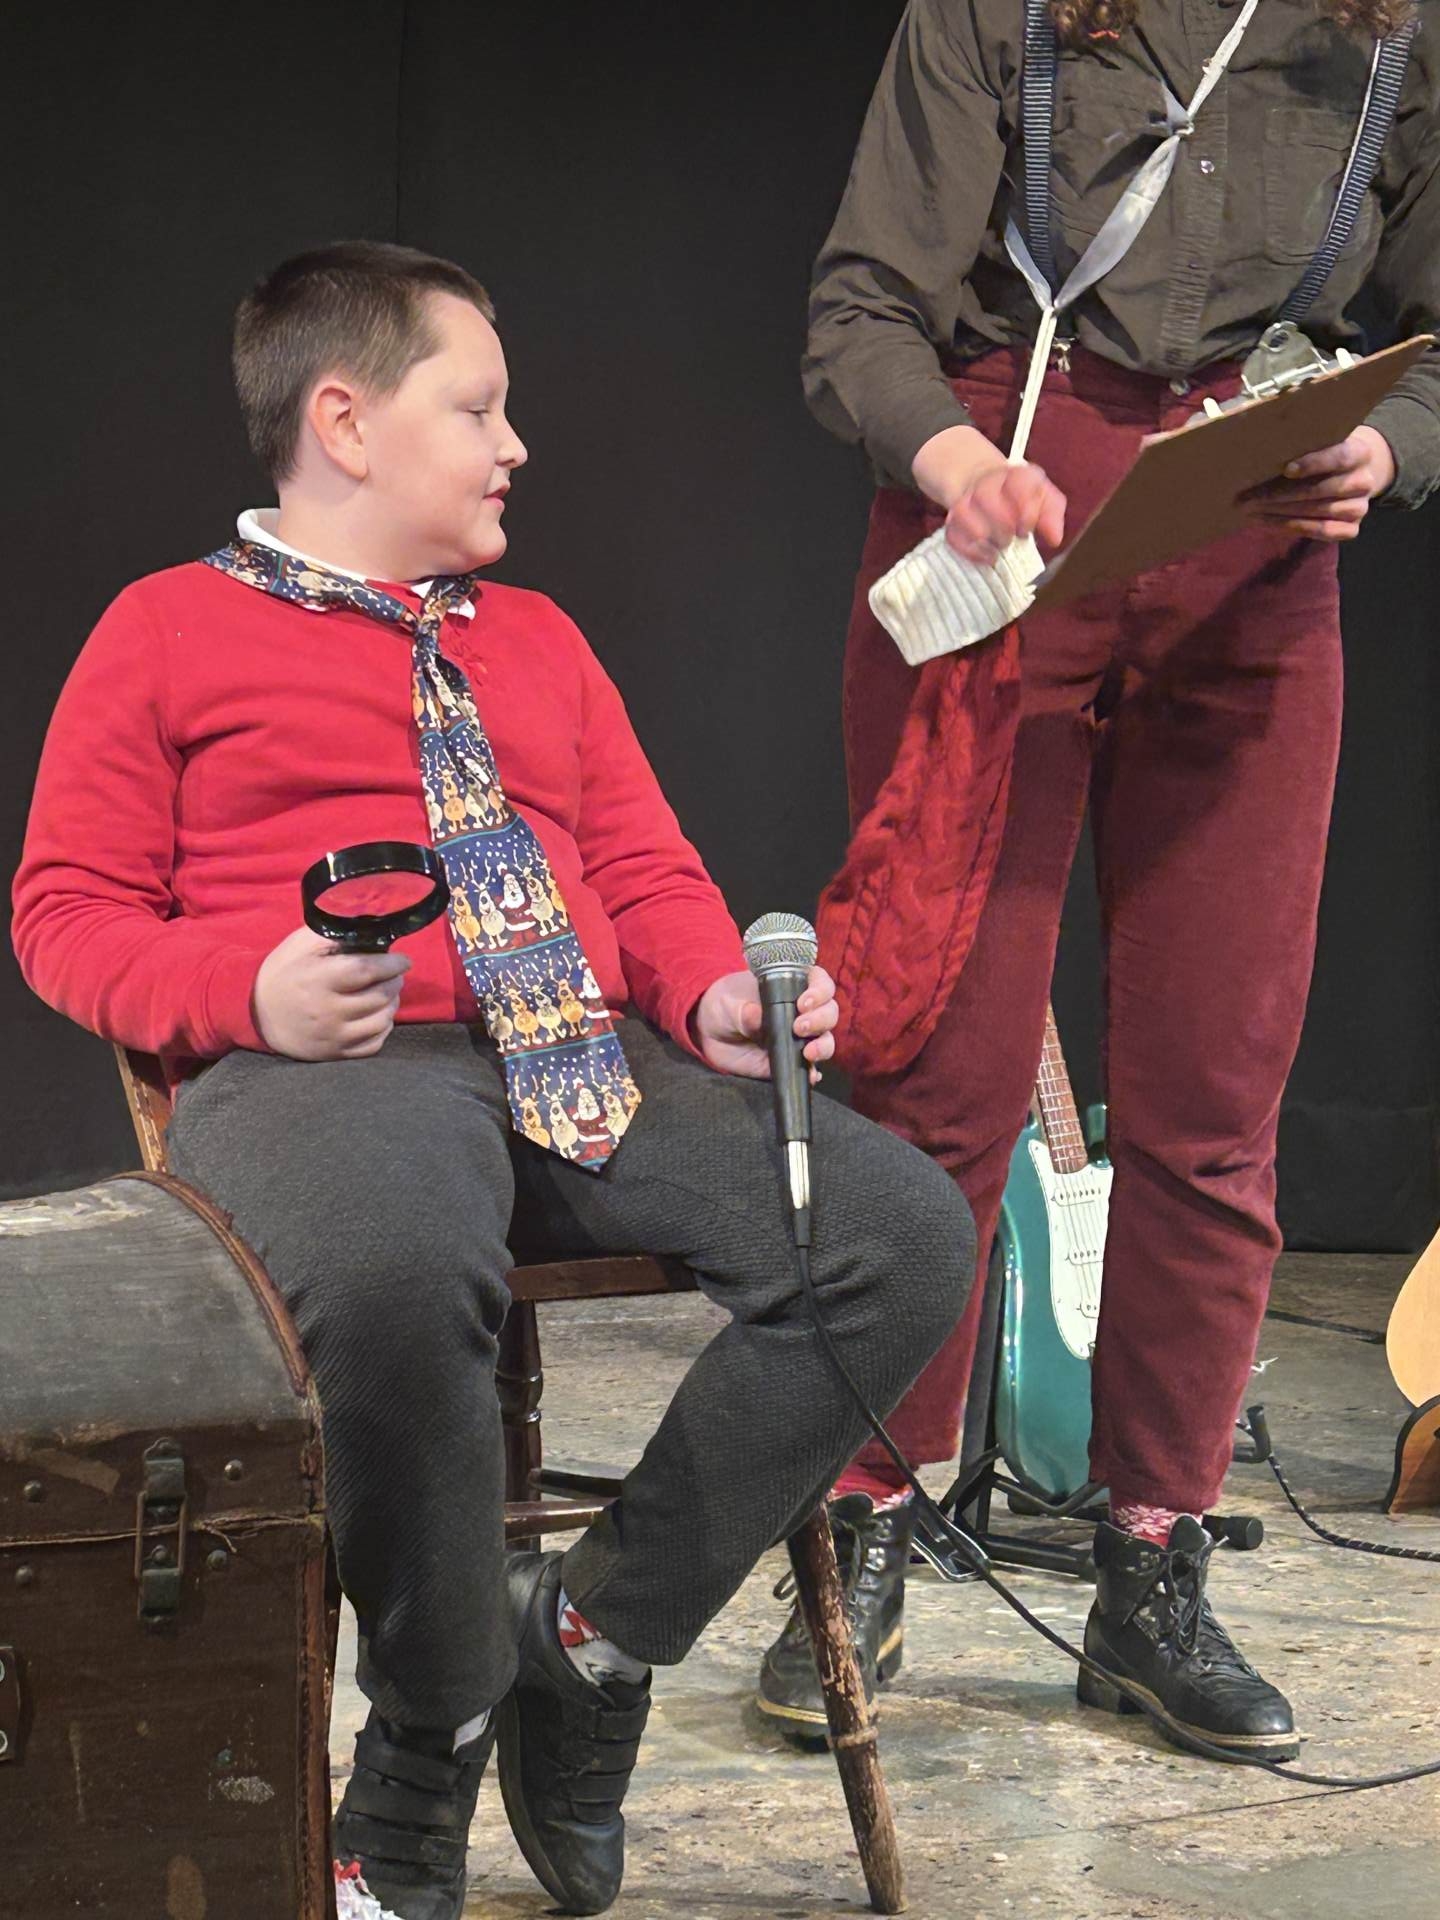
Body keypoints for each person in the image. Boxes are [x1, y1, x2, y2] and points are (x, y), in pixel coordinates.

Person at [11, 240, 975, 1920]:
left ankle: (589, 1642)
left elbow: (647, 870)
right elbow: (64, 911)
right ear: (345, 422)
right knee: (391, 1271)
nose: (516, 444)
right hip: (336, 1064)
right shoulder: (166, 630)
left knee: (899, 1233)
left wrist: (708, 989)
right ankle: (433, 1724)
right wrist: (246, 988)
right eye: (478, 408)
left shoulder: (538, 640)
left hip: (581, 1052)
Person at [755, 0, 1440, 1759]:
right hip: (1005, 494)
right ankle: (864, 1520)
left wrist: (1390, 445)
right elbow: (863, 309)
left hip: (1252, 520)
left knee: (1217, 1087)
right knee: (938, 1068)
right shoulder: (1002, 12)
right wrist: (951, 461)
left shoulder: (1390, 33)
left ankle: (1151, 1566)